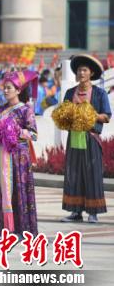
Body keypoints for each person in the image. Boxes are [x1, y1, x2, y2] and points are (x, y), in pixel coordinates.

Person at [61, 54, 111, 224]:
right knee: (73, 174)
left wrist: (92, 115)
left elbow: (107, 116)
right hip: (74, 137)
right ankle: (75, 211)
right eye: (79, 70)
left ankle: (93, 212)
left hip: (91, 139)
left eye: (84, 70)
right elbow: (63, 114)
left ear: (91, 73)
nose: (81, 73)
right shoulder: (70, 93)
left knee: (92, 174)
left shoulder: (99, 93)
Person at [0, 71, 38, 237]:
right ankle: (7, 228)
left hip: (19, 156)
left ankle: (22, 228)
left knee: (19, 190)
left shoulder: (26, 110)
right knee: (4, 191)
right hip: (1, 155)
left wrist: (16, 130)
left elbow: (33, 134)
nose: (5, 91)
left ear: (18, 90)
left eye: (9, 88)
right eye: (4, 88)